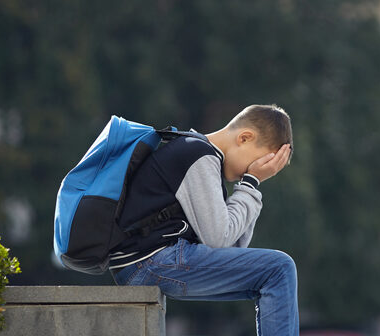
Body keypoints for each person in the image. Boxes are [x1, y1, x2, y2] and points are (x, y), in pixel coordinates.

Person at [110, 104, 298, 335]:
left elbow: (233, 247)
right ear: (245, 138)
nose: (252, 170)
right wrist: (250, 183)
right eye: (256, 163)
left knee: (269, 274)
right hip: (148, 261)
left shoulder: (206, 160)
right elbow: (220, 239)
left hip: (147, 262)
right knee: (279, 268)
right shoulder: (198, 154)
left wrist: (252, 186)